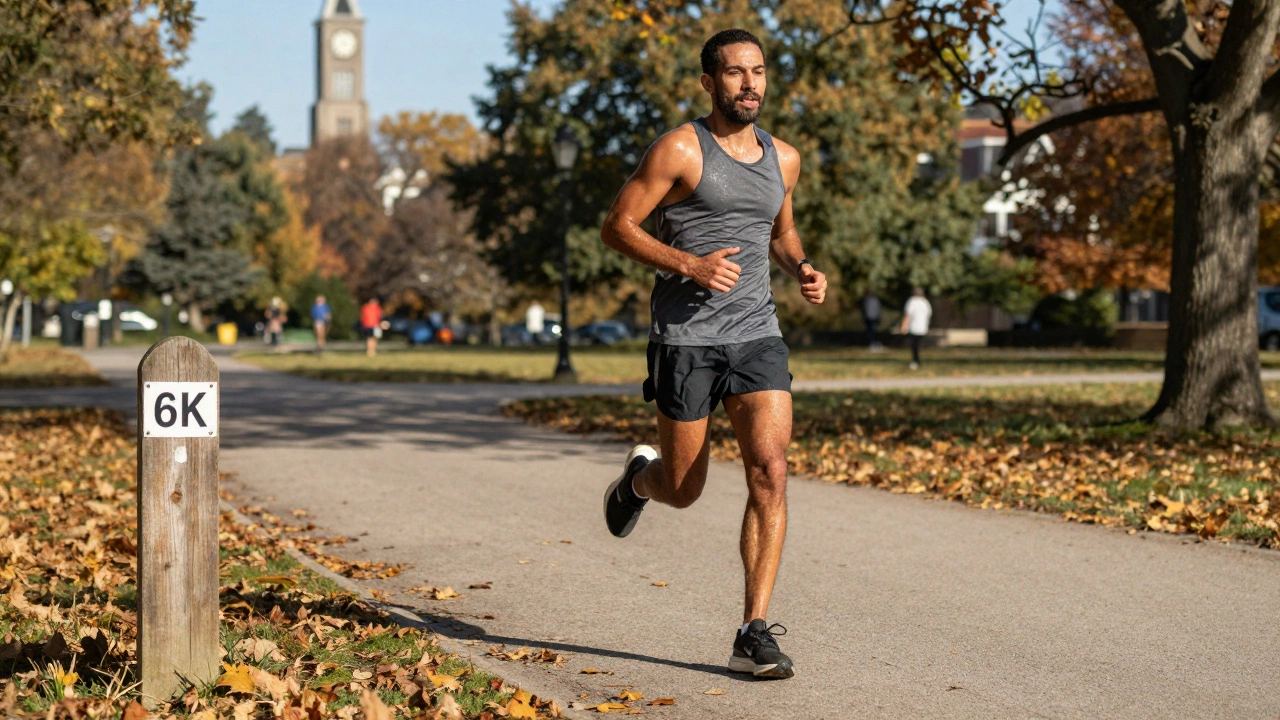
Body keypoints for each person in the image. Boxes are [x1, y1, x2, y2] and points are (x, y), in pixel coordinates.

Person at [598, 28, 827, 680]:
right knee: (685, 488)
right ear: (709, 81)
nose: (749, 83)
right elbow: (617, 227)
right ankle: (640, 482)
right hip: (685, 340)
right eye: (734, 73)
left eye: (757, 71)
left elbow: (779, 230)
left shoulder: (784, 159)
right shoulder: (678, 149)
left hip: (757, 334)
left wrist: (804, 266)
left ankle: (753, 630)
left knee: (771, 470)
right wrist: (688, 264)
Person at [899, 287, 932, 369]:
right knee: (918, 345)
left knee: (914, 346)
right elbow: (929, 314)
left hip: (913, 327)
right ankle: (917, 361)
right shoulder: (925, 302)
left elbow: (908, 315)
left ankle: (915, 361)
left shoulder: (912, 301)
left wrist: (904, 326)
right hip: (922, 328)